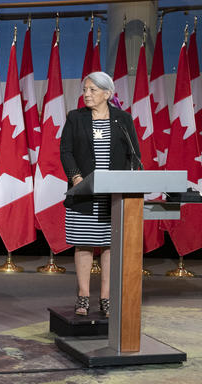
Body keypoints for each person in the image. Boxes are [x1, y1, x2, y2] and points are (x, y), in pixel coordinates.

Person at [60, 71, 141, 317]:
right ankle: (83, 298)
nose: (86, 94)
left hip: (112, 195)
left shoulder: (122, 120)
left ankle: (106, 299)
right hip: (84, 194)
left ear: (107, 93)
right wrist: (76, 178)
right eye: (85, 89)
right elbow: (66, 151)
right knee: (83, 244)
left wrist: (128, 179)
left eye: (93, 90)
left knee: (109, 246)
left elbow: (133, 156)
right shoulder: (76, 118)